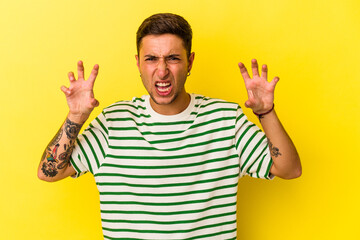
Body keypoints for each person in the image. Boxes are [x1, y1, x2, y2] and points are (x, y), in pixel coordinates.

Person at [38, 13, 301, 239]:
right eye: (151, 58)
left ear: (190, 62)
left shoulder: (225, 120)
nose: (162, 71)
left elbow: (288, 169)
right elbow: (49, 173)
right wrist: (75, 117)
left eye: (173, 58)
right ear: (138, 63)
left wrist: (266, 112)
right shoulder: (113, 122)